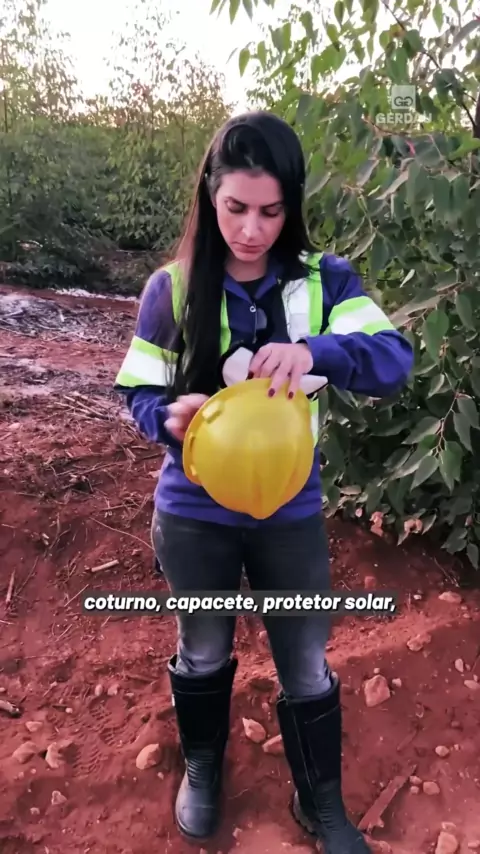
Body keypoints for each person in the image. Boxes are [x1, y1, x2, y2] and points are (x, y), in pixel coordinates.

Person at [114, 111, 413, 852]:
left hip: (289, 513)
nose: (251, 230)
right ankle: (204, 769)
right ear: (210, 197)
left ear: (292, 205)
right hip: (194, 514)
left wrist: (317, 351)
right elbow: (138, 391)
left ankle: (321, 803)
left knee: (306, 660)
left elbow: (392, 361)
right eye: (236, 208)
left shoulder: (323, 282)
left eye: (271, 212)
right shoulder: (172, 289)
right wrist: (167, 417)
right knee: (203, 647)